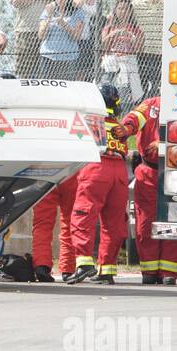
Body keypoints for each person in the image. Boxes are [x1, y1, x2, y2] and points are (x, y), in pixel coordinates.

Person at [114, 94, 177, 285]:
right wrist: (126, 128)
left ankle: (168, 272)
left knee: (175, 221)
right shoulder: (152, 104)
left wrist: (164, 144)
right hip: (149, 172)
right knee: (145, 223)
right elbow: (136, 117)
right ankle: (149, 270)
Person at [67, 82, 130, 285]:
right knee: (114, 222)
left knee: (83, 215)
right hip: (120, 171)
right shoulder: (119, 126)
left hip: (96, 167)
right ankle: (107, 270)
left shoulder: (88, 120)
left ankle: (84, 263)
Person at [11, 0, 52, 79]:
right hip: (25, 30)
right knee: (24, 72)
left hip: (44, 31)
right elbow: (16, 1)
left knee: (43, 72)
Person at [31, 176, 78, 283]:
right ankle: (67, 269)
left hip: (44, 174)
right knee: (70, 223)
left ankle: (41, 266)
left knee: (42, 225)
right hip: (71, 173)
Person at [101, 0, 145, 105]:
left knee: (122, 95)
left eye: (125, 9)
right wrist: (113, 34)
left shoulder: (136, 29)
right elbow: (103, 46)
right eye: (120, 8)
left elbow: (139, 49)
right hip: (110, 64)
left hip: (127, 64)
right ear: (115, 11)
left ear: (130, 12)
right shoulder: (109, 27)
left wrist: (131, 38)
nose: (122, 11)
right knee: (105, 95)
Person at [37, 0, 84, 80]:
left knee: (66, 90)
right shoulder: (48, 10)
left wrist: (64, 24)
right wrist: (49, 18)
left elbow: (76, 37)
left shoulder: (77, 12)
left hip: (68, 57)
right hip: (48, 56)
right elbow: (41, 35)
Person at [134, 0, 166, 95]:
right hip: (143, 51)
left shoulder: (167, 6)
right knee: (142, 85)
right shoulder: (136, 5)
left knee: (157, 84)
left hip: (160, 52)